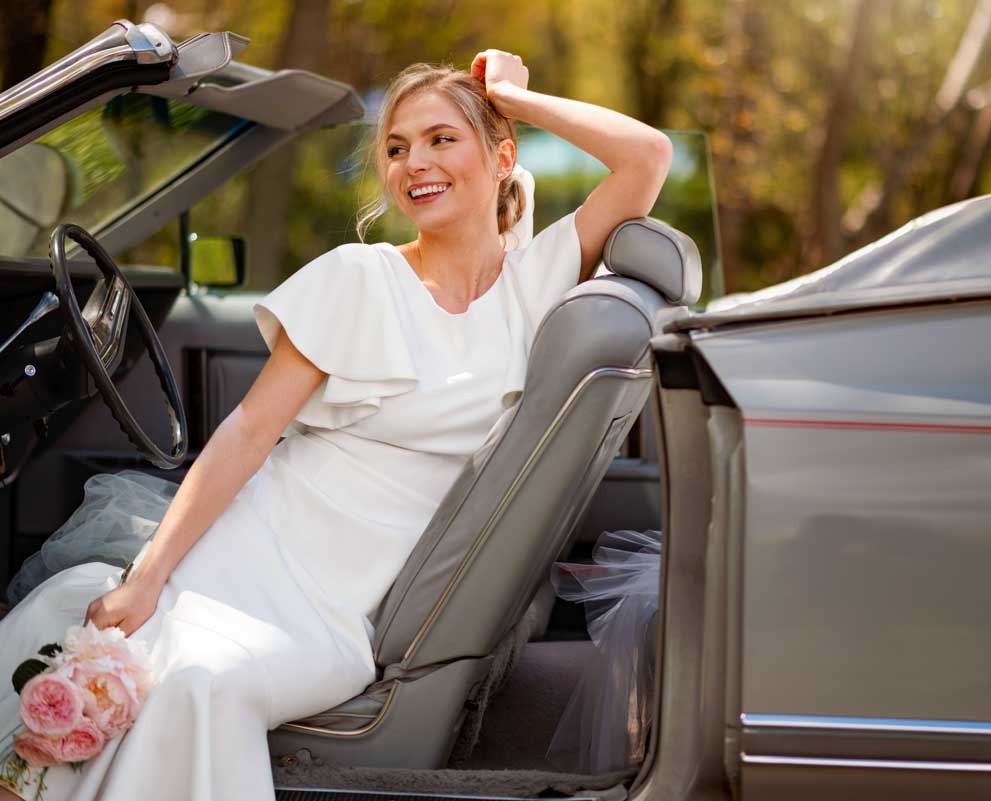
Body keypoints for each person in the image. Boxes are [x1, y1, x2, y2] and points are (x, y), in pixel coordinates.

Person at [0, 48, 672, 801]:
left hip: (338, 611)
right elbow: (248, 435)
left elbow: (648, 156)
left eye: (442, 138)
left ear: (500, 153)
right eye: (396, 147)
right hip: (247, 552)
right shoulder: (359, 277)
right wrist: (150, 579)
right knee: (140, 666)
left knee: (203, 681)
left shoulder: (536, 281)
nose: (414, 162)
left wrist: (514, 95)